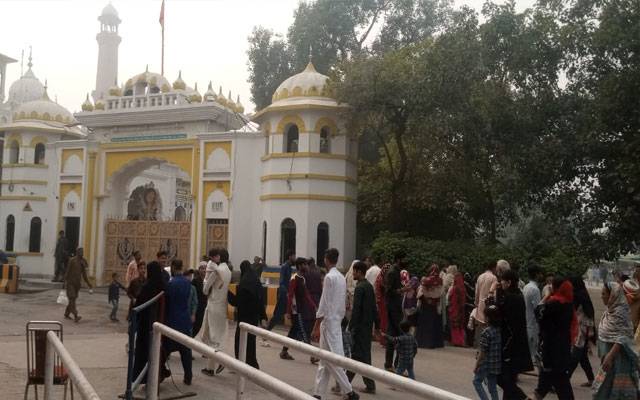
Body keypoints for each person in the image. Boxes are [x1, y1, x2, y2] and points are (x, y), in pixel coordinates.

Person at [311, 248, 359, 400]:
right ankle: (318, 393)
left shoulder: (329, 278)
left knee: (331, 360)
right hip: (337, 321)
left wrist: (316, 326)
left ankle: (349, 391)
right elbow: (343, 302)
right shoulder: (341, 277)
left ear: (326, 259)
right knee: (324, 360)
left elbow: (324, 303)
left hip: (328, 321)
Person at [592, 281, 640, 399]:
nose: (601, 296)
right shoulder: (609, 311)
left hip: (618, 360)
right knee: (604, 389)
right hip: (608, 359)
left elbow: (622, 337)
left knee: (616, 391)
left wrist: (610, 356)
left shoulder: (621, 313)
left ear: (612, 295)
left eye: (604, 294)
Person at [533, 277, 576, 400]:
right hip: (563, 348)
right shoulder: (568, 305)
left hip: (551, 348)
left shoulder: (553, 304)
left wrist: (546, 296)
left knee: (552, 380)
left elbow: (538, 312)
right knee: (558, 381)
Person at [496, 269, 533, 400]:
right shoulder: (518, 295)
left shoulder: (511, 298)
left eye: (502, 281)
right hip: (516, 343)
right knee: (509, 378)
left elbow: (501, 317)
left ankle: (523, 398)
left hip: (510, 344)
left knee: (500, 377)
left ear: (509, 282)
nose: (500, 283)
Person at [346, 261, 380, 393]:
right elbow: (374, 309)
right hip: (367, 327)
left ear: (359, 272)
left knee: (357, 357)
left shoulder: (360, 288)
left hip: (359, 328)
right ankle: (364, 385)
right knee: (362, 357)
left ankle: (345, 385)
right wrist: (376, 325)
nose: (353, 273)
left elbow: (356, 310)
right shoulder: (369, 287)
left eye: (354, 271)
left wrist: (350, 326)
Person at [132, 261, 168, 384]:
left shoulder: (147, 287)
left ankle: (145, 379)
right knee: (156, 351)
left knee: (145, 353)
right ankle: (157, 378)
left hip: (146, 326)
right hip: (160, 324)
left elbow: (138, 305)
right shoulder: (163, 286)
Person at [199, 248, 232, 376]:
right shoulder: (228, 271)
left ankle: (218, 361)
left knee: (211, 337)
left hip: (213, 306)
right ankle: (210, 366)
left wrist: (206, 278)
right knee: (212, 337)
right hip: (222, 306)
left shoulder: (216, 271)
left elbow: (205, 290)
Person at [229, 260, 267, 369]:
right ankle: (252, 363)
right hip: (254, 317)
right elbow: (260, 300)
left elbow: (237, 301)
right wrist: (263, 317)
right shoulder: (256, 280)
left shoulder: (244, 282)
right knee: (251, 341)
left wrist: (228, 294)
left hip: (244, 317)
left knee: (240, 340)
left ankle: (240, 362)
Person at [161, 259, 193, 385]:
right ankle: (188, 377)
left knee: (165, 350)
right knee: (186, 351)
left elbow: (167, 302)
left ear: (173, 268)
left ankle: (157, 373)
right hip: (184, 320)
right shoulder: (187, 283)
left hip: (172, 321)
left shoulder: (171, 284)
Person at [281, 257, 317, 360]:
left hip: (301, 309)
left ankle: (284, 351)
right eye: (305, 264)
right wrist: (288, 312)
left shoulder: (302, 279)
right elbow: (290, 295)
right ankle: (313, 355)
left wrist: (313, 306)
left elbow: (306, 294)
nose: (306, 266)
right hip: (295, 311)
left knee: (293, 331)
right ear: (300, 266)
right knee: (304, 331)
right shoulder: (294, 278)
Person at [566, 276, 595, 387]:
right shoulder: (583, 293)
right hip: (584, 327)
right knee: (582, 356)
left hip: (582, 328)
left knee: (575, 355)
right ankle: (591, 379)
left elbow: (578, 312)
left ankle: (565, 378)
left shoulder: (579, 295)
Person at [473, 305, 501, 400]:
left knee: (476, 382)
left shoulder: (486, 332)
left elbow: (483, 351)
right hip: (496, 364)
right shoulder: (499, 331)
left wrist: (477, 365)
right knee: (492, 387)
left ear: (488, 318)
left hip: (486, 363)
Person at [384, 252, 405, 371]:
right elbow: (388, 291)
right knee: (396, 336)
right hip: (393, 308)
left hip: (396, 307)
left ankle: (393, 364)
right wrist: (400, 290)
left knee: (394, 336)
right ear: (398, 259)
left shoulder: (397, 271)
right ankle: (393, 365)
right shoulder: (392, 272)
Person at [415, 265, 444, 349]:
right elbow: (440, 294)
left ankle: (424, 342)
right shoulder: (440, 281)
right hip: (434, 306)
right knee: (433, 325)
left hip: (426, 306)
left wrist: (427, 298)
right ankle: (433, 343)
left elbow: (420, 294)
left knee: (425, 325)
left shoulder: (425, 280)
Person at [267, 249, 295, 331]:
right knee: (278, 315)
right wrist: (286, 293)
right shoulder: (285, 267)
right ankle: (267, 331)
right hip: (283, 295)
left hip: (287, 294)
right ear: (290, 256)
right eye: (293, 256)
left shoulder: (289, 267)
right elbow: (282, 282)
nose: (294, 257)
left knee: (292, 314)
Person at [64, 248, 93, 322]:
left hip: (77, 284)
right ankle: (76, 315)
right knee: (72, 298)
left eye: (82, 252)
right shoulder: (72, 260)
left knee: (72, 300)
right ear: (77, 252)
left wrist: (89, 283)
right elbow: (67, 271)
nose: (82, 253)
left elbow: (84, 275)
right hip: (70, 283)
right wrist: (64, 282)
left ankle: (66, 313)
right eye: (80, 251)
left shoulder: (82, 262)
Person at [523, 263, 543, 367]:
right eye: (540, 273)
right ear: (536, 274)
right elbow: (538, 309)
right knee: (534, 350)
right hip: (533, 324)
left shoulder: (526, 287)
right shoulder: (535, 290)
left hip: (527, 321)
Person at [474, 261, 498, 347]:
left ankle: (480, 346)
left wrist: (476, 303)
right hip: (488, 304)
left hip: (480, 304)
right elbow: (494, 293)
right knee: (488, 326)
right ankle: (486, 346)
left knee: (481, 326)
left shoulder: (480, 276)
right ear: (494, 268)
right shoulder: (494, 278)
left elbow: (477, 292)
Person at [448, 271, 466, 347]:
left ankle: (456, 341)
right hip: (461, 310)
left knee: (455, 326)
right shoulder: (463, 288)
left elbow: (450, 299)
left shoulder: (454, 289)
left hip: (454, 310)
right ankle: (461, 341)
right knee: (460, 326)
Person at [375, 263, 390, 346]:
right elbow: (385, 290)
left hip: (381, 302)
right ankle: (384, 340)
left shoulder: (379, 277)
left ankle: (383, 340)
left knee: (383, 321)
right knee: (385, 321)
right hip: (383, 302)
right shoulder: (382, 280)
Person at [191, 261, 207, 337]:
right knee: (195, 326)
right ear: (199, 270)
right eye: (202, 268)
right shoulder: (195, 281)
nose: (204, 270)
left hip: (203, 307)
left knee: (199, 326)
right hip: (196, 307)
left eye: (205, 268)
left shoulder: (207, 281)